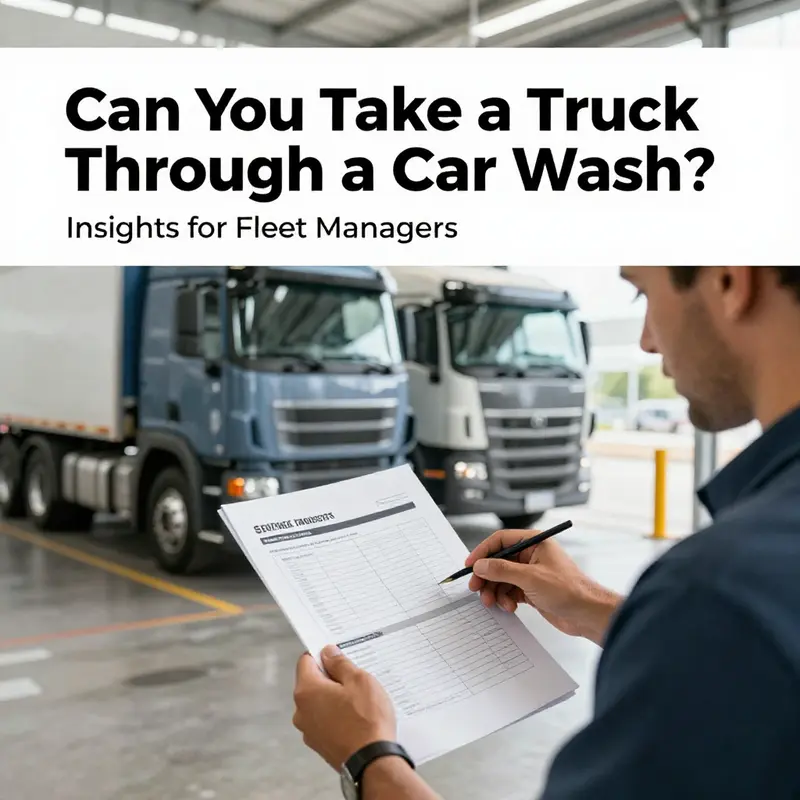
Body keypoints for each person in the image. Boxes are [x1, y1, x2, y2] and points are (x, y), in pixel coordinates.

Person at [292, 266, 800, 799]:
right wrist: (597, 606)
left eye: (644, 293)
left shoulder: (718, 591)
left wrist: (368, 758)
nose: (648, 341)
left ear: (730, 281)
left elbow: (739, 633)